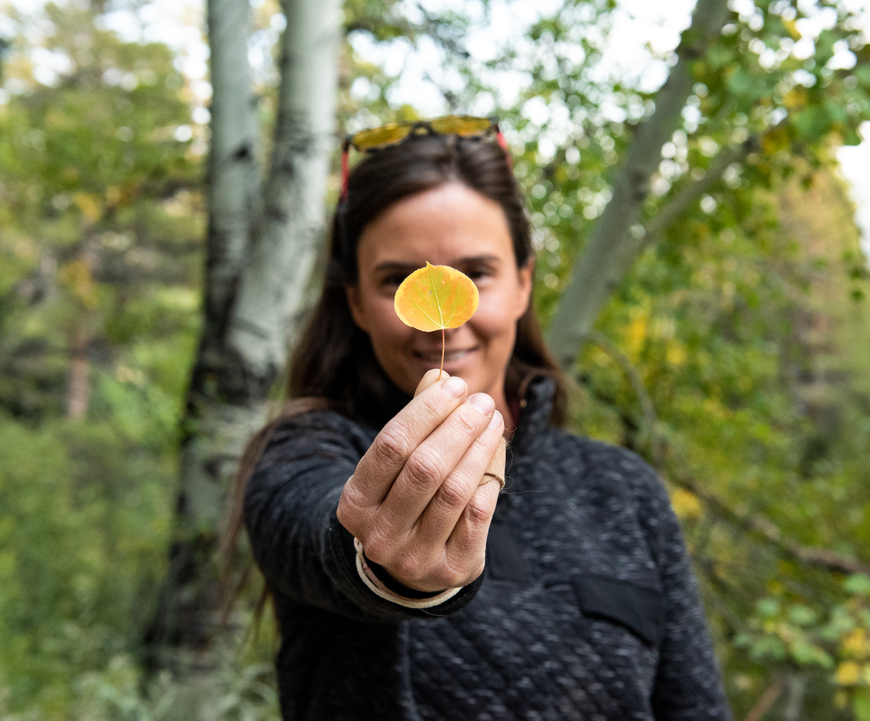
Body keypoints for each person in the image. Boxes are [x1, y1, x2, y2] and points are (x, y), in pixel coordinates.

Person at [237, 117, 733, 720]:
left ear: (523, 284)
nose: (443, 319)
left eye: (477, 273)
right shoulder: (303, 452)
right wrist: (387, 565)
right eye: (399, 280)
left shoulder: (625, 492)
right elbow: (317, 531)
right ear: (356, 304)